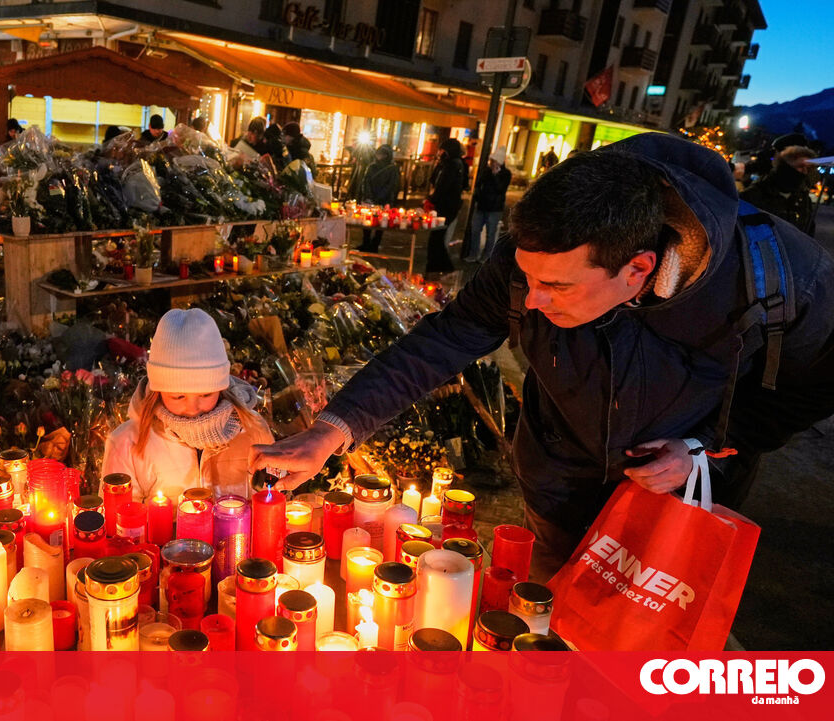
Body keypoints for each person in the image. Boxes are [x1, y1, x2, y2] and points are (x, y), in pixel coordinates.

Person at [252, 133, 834, 582]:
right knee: (554, 629)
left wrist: (702, 446)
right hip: (560, 487)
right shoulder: (537, 253)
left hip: (680, 503)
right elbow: (443, 340)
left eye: (556, 287)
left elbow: (816, 385)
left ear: (638, 270)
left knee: (648, 649)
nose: (532, 300)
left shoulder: (779, 279)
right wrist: (334, 428)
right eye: (528, 278)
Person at [103, 308, 274, 501]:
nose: (193, 409)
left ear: (222, 387)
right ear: (158, 391)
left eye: (206, 394)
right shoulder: (127, 443)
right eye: (178, 397)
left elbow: (273, 497)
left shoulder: (253, 430)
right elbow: (118, 514)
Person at [740, 134, 817, 236]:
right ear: (784, 162)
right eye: (800, 166)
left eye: (808, 168)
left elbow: (808, 234)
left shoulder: (804, 201)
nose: (804, 171)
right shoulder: (753, 195)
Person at [423, 137, 467, 273]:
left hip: (447, 206)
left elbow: (443, 186)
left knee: (436, 238)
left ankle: (442, 268)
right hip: (444, 205)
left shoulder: (454, 164)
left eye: (442, 150)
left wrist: (432, 199)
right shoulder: (447, 163)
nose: (439, 152)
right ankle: (437, 267)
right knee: (437, 238)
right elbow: (434, 180)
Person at [464, 147, 512, 262]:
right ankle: (473, 254)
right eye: (492, 161)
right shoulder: (486, 171)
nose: (492, 163)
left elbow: (500, 189)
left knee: (491, 234)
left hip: (494, 208)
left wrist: (496, 176)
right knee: (475, 230)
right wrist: (477, 196)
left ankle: (486, 256)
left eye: (494, 161)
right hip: (482, 205)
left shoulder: (506, 174)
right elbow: (479, 184)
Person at [357, 144, 400, 253]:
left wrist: (379, 197)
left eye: (382, 154)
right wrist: (368, 195)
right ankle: (366, 242)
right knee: (367, 220)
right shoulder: (372, 166)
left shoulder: (392, 169)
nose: (379, 156)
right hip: (370, 199)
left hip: (383, 200)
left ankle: (375, 244)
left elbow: (391, 186)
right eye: (379, 154)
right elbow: (366, 181)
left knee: (381, 222)